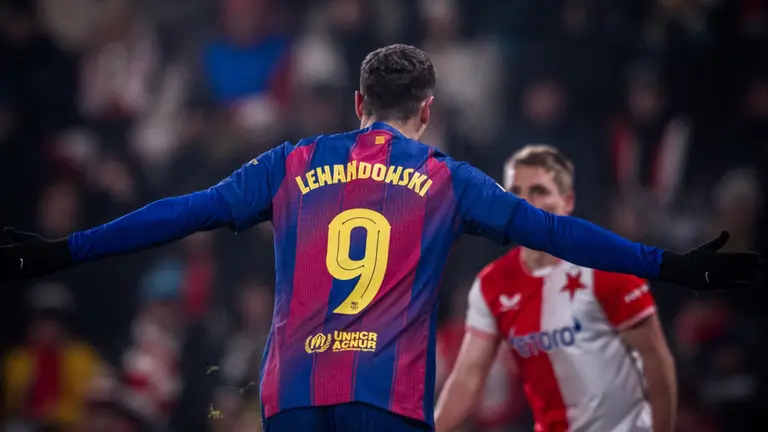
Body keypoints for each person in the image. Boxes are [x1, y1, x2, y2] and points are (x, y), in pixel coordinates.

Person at [0, 45, 763, 432]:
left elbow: (179, 212)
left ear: (358, 102)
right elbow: (558, 233)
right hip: (385, 401)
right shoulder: (447, 179)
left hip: (292, 399)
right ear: (425, 111)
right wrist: (671, 266)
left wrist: (63, 250)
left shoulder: (290, 163)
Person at [435, 145, 678, 432]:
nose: (525, 203)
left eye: (539, 191)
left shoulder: (608, 266)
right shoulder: (492, 285)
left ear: (567, 201)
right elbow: (467, 379)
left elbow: (656, 363)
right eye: (515, 192)